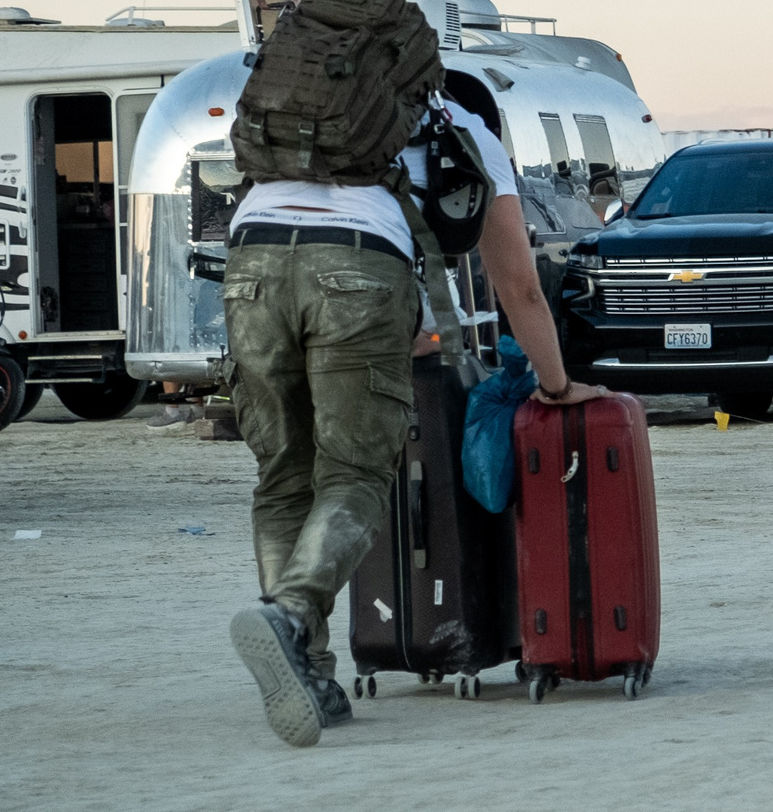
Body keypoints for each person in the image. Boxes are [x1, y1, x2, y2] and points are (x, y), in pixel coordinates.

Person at [226, 82, 602, 748]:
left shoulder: (318, 112)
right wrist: (555, 382)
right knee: (355, 474)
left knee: (284, 475)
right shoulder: (467, 132)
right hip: (353, 263)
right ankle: (288, 614)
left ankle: (309, 668)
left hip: (249, 259)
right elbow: (517, 285)